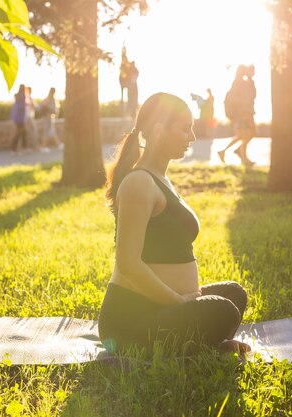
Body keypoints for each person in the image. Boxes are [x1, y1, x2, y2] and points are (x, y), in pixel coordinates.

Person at [98, 92, 251, 355]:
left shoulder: (160, 179)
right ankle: (206, 343)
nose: (192, 137)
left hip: (163, 308)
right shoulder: (139, 183)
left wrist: (186, 300)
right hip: (130, 319)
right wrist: (180, 302)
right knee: (222, 310)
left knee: (234, 294)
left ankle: (204, 342)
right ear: (159, 130)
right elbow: (128, 264)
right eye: (185, 129)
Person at [218, 65, 256, 166]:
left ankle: (228, 151)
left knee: (246, 134)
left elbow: (253, 94)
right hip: (243, 114)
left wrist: (250, 79)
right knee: (245, 135)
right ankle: (244, 158)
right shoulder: (238, 83)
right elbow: (238, 98)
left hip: (247, 113)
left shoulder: (245, 82)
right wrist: (243, 104)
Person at [10, 84, 28, 154]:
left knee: (22, 133)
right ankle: (14, 149)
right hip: (20, 118)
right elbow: (22, 107)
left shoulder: (17, 95)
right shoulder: (22, 96)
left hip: (16, 118)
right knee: (18, 134)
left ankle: (21, 148)